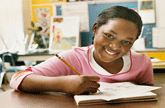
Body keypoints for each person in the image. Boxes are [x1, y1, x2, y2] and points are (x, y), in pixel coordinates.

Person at [10, 6, 153, 95]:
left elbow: (150, 96)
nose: (115, 46)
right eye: (109, 36)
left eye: (127, 42)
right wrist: (63, 84)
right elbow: (17, 78)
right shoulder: (72, 58)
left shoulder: (142, 63)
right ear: (95, 29)